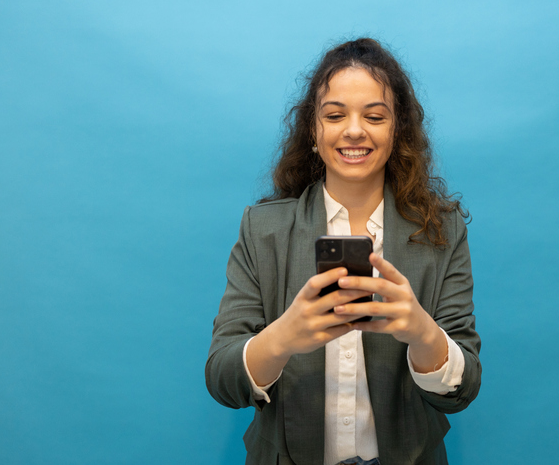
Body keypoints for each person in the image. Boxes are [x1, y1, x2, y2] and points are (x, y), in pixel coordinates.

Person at [206, 38, 481, 465]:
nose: (354, 130)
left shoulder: (441, 232)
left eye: (374, 116)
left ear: (397, 131)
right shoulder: (263, 230)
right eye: (335, 115)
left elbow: (464, 390)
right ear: (314, 131)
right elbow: (222, 380)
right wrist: (282, 337)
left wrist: (422, 333)